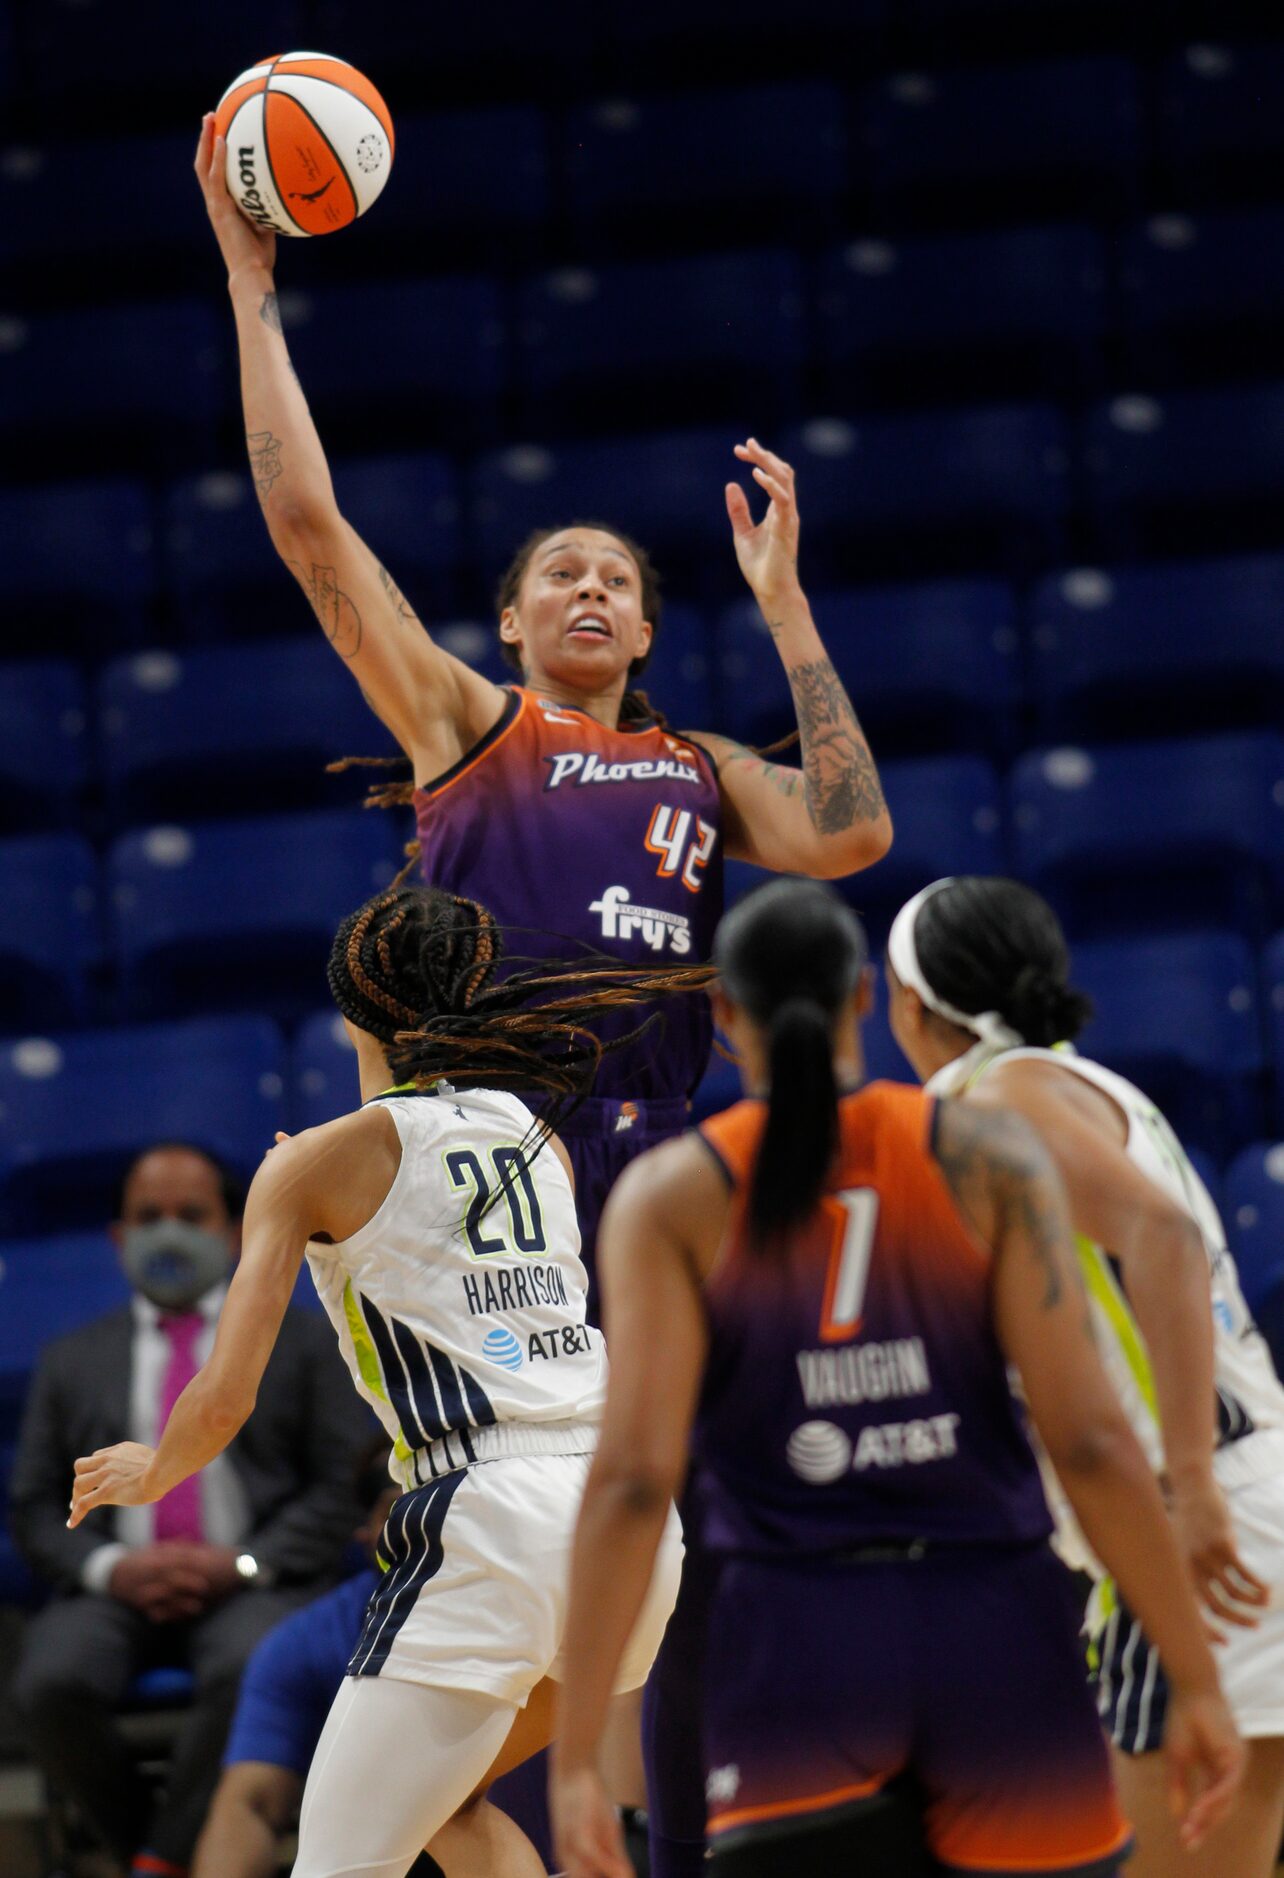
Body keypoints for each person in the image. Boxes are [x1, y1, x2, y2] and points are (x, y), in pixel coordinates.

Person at [196, 109, 893, 1875]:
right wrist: (247, 275)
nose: (590, 585)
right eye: (555, 573)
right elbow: (301, 520)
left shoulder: (696, 756)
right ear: (503, 625)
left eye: (619, 580)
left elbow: (850, 828)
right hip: (473, 1237)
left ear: (647, 636)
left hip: (634, 1221)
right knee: (463, 1719)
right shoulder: (463, 730)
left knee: (543, 1729)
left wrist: (789, 610)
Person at [550, 878, 1243, 1878]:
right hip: (995, 1630)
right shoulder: (987, 1157)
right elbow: (1089, 1443)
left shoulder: (673, 1196)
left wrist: (578, 1759)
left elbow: (628, 1484)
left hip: (795, 1649)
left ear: (727, 1016)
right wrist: (1195, 1678)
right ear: (866, 999)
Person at [69, 884, 694, 1878]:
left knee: (338, 1866)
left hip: (492, 1516)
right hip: (626, 1514)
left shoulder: (314, 1166)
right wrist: (307, 1188)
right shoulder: (538, 1142)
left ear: (351, 1007)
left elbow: (226, 1398)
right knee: (452, 1814)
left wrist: (154, 1471)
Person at [883, 875, 1284, 1878]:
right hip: (1242, 1506)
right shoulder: (1081, 1089)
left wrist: (1188, 1485)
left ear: (912, 1005)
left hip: (1206, 1525)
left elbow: (1165, 1238)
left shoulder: (1003, 1095)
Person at [9, 1141, 369, 1878]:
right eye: (149, 1216)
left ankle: (156, 1861)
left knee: (255, 1664)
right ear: (117, 1236)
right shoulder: (69, 1359)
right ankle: (159, 1853)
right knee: (49, 1681)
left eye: (191, 1214)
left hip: (253, 1582)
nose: (168, 1231)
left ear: (235, 1230)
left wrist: (243, 1563)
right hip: (115, 1591)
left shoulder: (300, 1343)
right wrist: (112, 1569)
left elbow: (341, 1487)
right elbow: (35, 1508)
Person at [192, 1440, 552, 1878]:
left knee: (446, 1797)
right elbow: (251, 1802)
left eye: (445, 1501)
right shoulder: (305, 1642)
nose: (427, 1519)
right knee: (440, 1800)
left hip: (575, 1840)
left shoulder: (540, 1600)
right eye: (398, 1507)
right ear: (365, 1530)